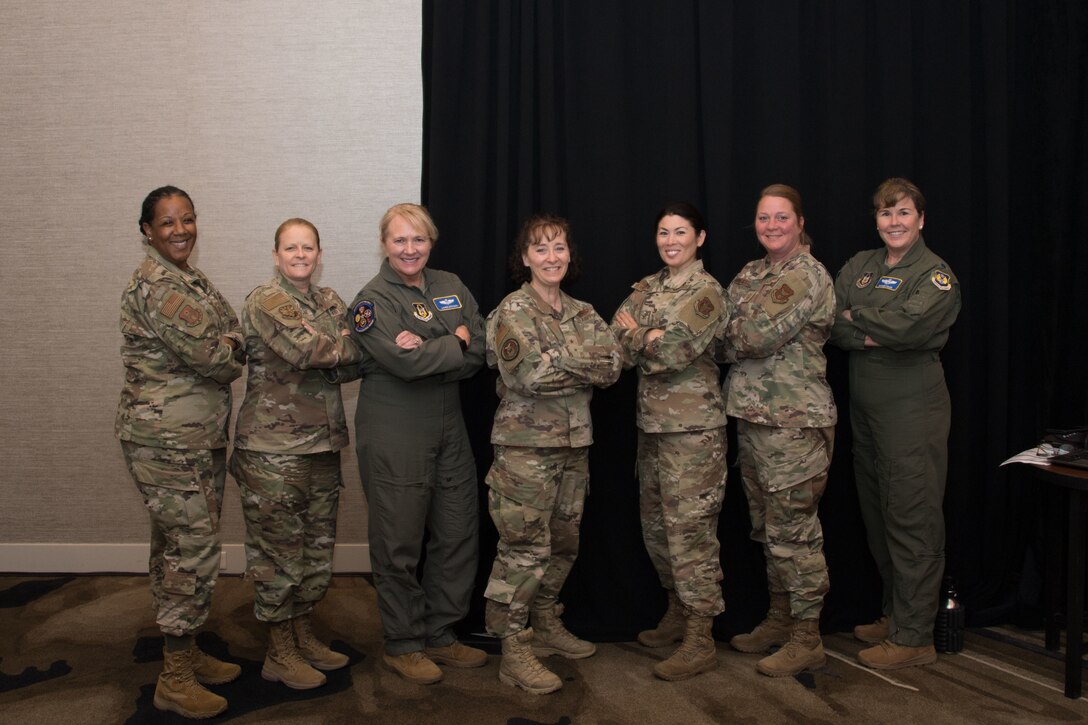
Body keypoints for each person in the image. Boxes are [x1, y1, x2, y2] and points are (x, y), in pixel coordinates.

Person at [116, 186, 244, 719]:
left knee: (176, 546)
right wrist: (229, 346)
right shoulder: (159, 286)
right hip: (166, 440)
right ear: (146, 229)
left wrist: (229, 342)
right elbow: (221, 356)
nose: (180, 230)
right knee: (190, 552)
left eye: (187, 220)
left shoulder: (189, 277)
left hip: (194, 438)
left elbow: (231, 330)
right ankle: (173, 676)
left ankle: (186, 651)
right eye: (167, 223)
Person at [347, 203, 488, 684]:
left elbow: (483, 350)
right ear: (384, 245)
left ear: (431, 241)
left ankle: (440, 632)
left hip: (450, 424)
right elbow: (402, 363)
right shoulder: (370, 302)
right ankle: (403, 642)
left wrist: (432, 347)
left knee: (457, 530)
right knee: (399, 540)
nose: (410, 250)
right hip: (395, 427)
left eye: (419, 240)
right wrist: (455, 342)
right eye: (399, 240)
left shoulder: (450, 285)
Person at [483, 214, 622, 694]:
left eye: (559, 247)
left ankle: (544, 619)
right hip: (525, 449)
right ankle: (514, 649)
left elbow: (612, 367)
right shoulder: (510, 312)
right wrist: (575, 362)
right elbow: (529, 376)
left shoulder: (582, 312)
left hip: (573, 445)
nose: (551, 257)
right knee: (523, 549)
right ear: (524, 258)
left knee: (563, 543)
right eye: (540, 249)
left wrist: (557, 357)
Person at [830, 177, 961, 670]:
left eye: (903, 212)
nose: (894, 222)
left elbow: (913, 328)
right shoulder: (861, 266)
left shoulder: (935, 275)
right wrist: (868, 327)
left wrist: (857, 318)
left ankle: (914, 636)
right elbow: (830, 322)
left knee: (911, 516)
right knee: (877, 516)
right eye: (885, 213)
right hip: (866, 412)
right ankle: (896, 614)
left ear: (921, 219)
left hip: (912, 411)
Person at [230, 218, 364, 690]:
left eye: (308, 247)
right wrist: (341, 348)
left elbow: (356, 358)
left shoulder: (328, 301)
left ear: (319, 253)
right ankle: (278, 650)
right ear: (275, 254)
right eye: (291, 247)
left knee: (315, 549)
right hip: (273, 450)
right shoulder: (266, 301)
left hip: (323, 445)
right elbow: (309, 350)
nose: (300, 255)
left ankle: (303, 633)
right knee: (277, 552)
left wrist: (342, 349)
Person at [719, 185, 836, 677]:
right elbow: (719, 333)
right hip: (753, 419)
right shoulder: (751, 273)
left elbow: (749, 334)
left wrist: (731, 330)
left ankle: (808, 637)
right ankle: (781, 619)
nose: (771, 226)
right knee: (769, 530)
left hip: (795, 424)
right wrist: (728, 331)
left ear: (800, 222)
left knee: (795, 533)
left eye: (781, 218)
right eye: (763, 218)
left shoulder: (805, 275)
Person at [612, 202, 730, 681]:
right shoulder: (647, 287)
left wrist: (639, 334)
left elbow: (678, 351)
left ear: (700, 238)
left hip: (693, 433)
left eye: (680, 232)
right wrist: (650, 337)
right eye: (663, 232)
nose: (670, 240)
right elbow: (610, 340)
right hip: (652, 429)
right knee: (657, 529)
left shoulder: (706, 291)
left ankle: (701, 635)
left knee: (691, 534)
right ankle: (678, 611)